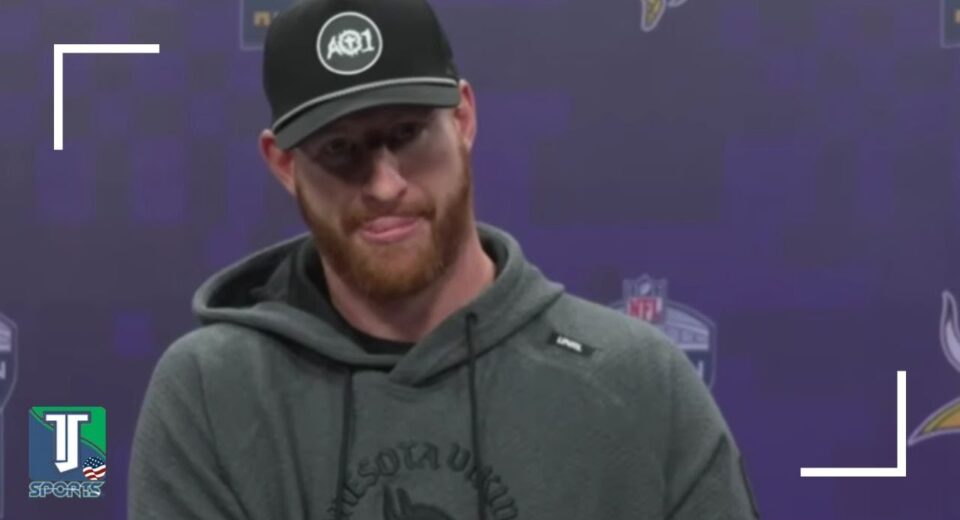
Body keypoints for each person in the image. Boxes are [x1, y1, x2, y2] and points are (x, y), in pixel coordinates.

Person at [128, 0, 760, 518]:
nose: (384, 185)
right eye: (339, 149)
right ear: (284, 164)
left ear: (463, 118)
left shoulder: (638, 381)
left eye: (407, 134)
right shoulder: (212, 393)